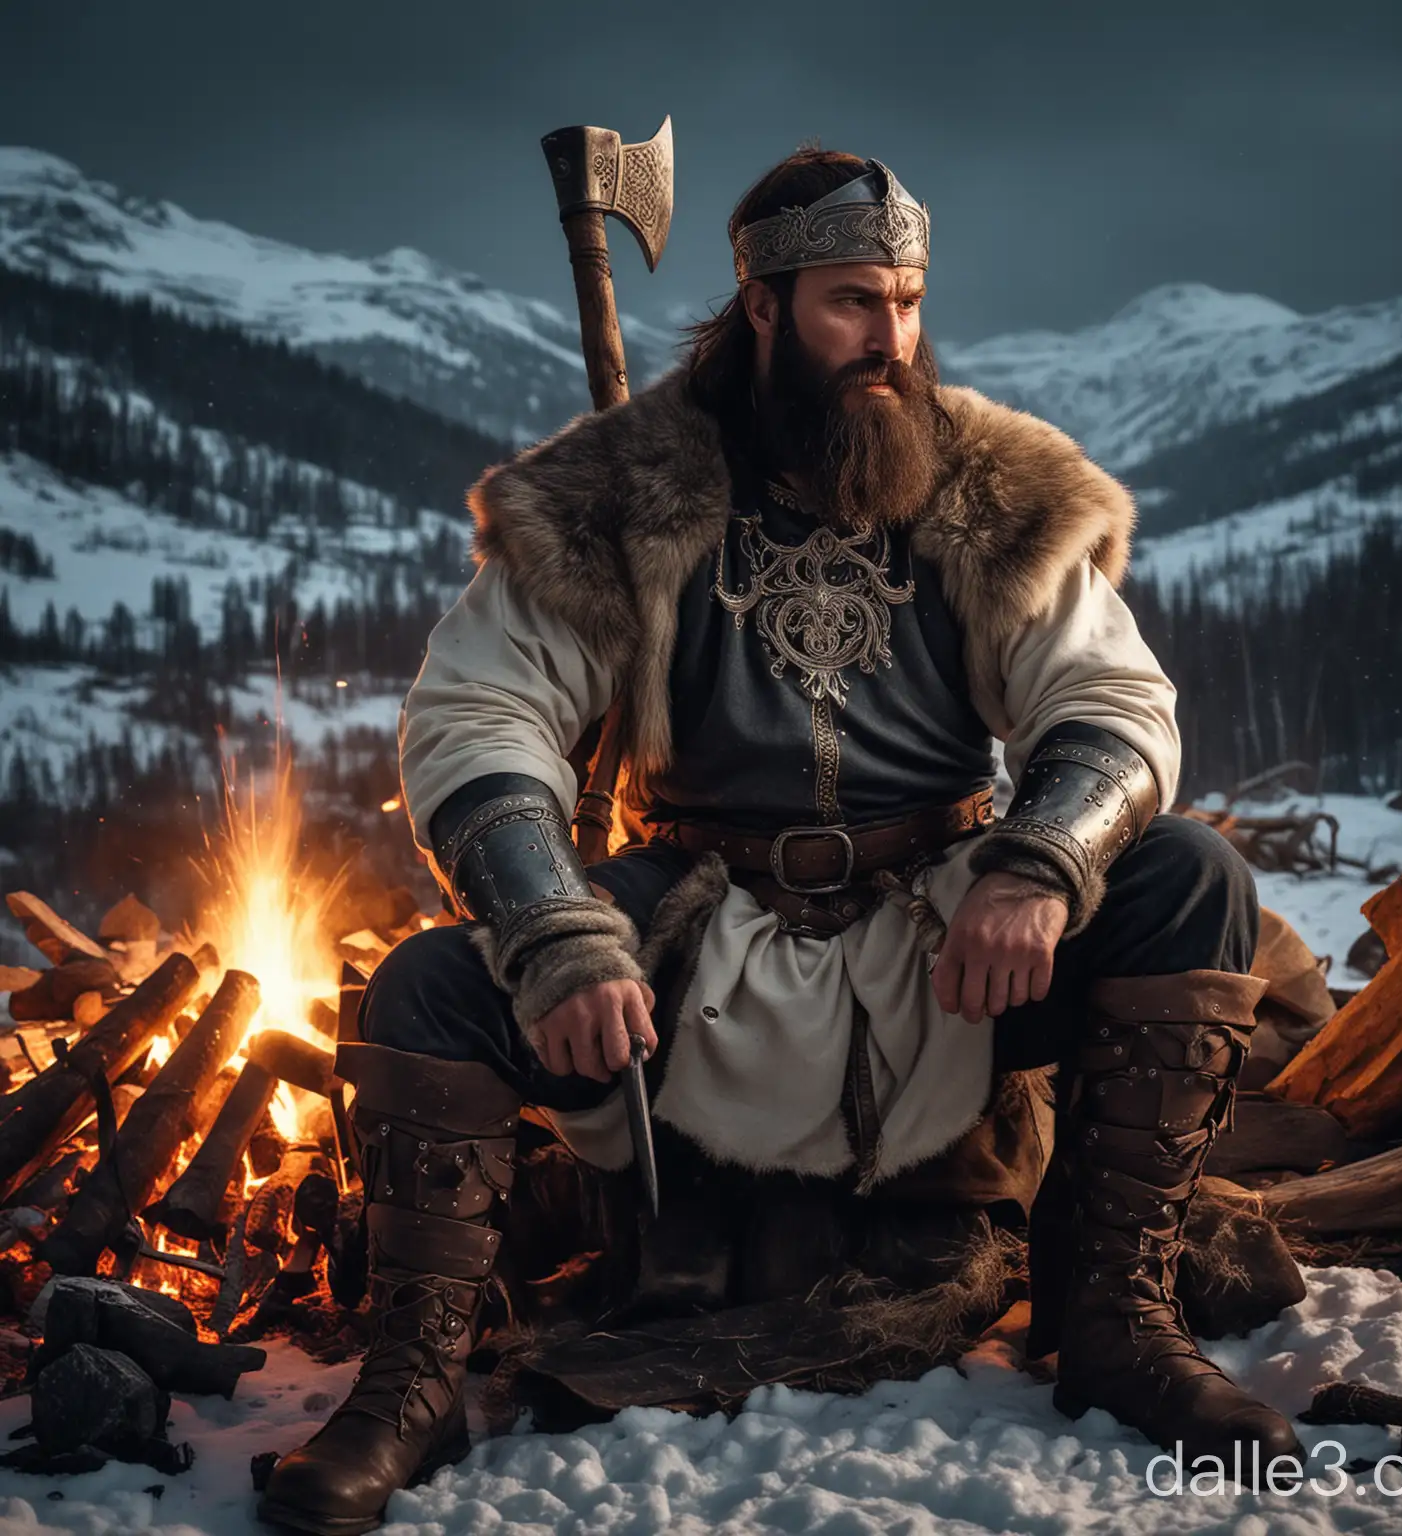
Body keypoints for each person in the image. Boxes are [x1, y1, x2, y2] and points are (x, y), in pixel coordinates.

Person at [258, 147, 1299, 1535]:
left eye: (908, 302)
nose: (890, 339)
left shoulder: (989, 487)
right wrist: (556, 932)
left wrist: (1038, 862)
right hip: (698, 918)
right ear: (760, 303)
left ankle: (1117, 1318)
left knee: (1190, 880)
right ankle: (415, 1385)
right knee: (430, 990)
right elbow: (479, 716)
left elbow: (1110, 704)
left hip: (944, 920)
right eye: (851, 304)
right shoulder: (614, 495)